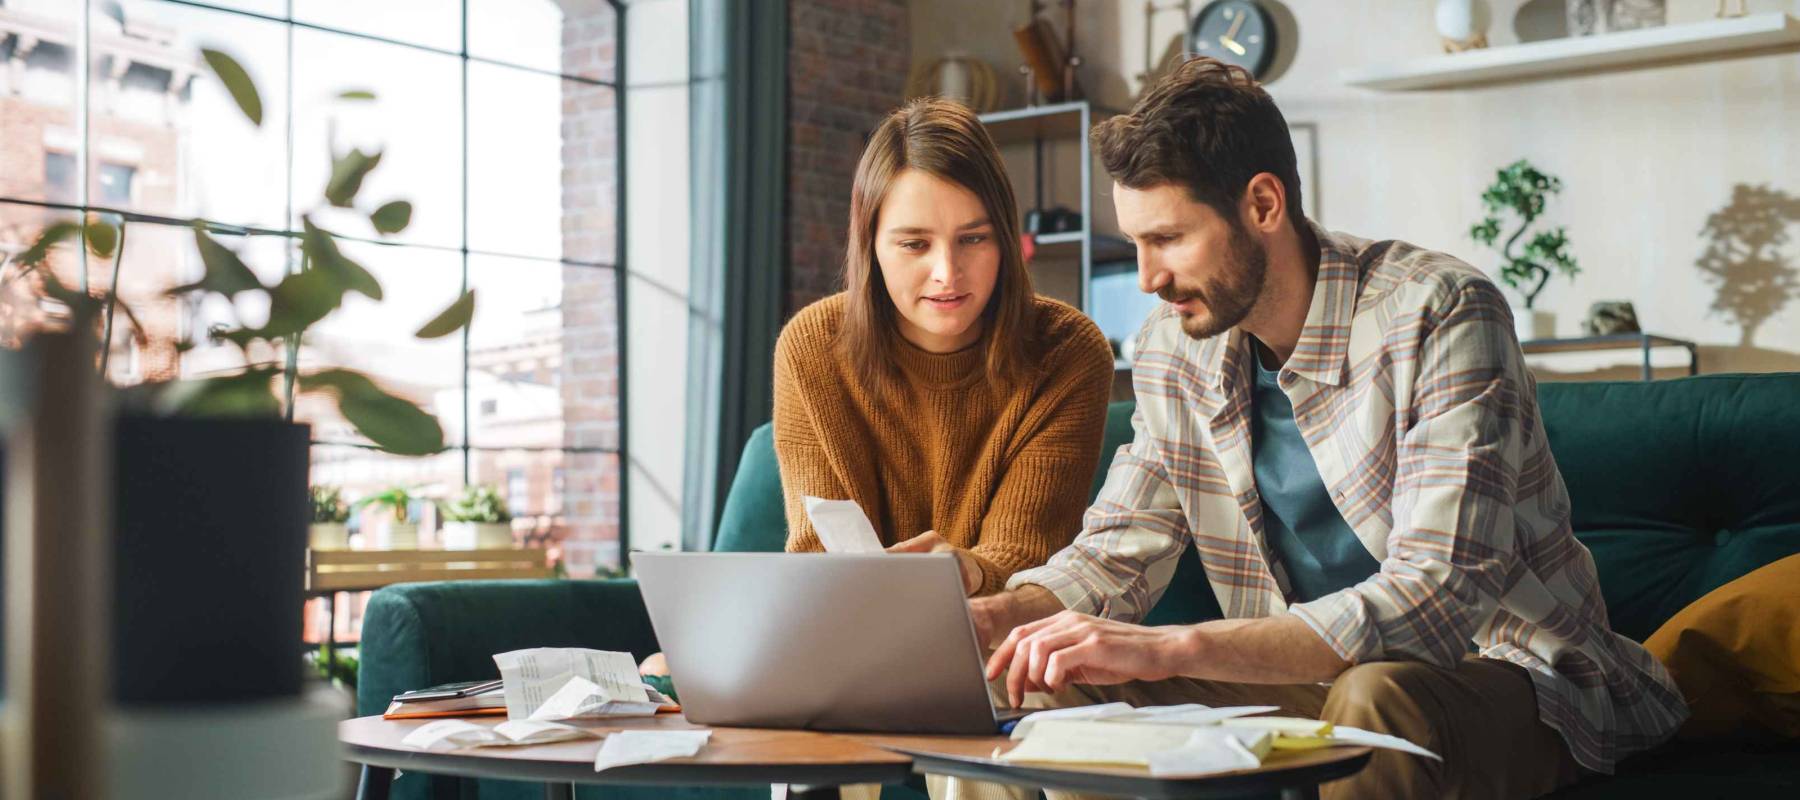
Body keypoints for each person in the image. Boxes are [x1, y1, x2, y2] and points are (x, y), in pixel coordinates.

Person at [968, 58, 1687, 799]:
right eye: (1138, 242)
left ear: (1264, 204)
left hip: (1502, 676)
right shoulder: (1171, 349)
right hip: (1302, 683)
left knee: (1376, 699)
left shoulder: (1439, 312)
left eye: (1170, 238)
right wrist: (990, 621)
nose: (1147, 277)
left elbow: (1437, 597)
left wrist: (1167, 647)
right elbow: (1117, 553)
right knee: (1034, 688)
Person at [640, 97, 1115, 677]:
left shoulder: (1067, 350)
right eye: (915, 244)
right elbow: (820, 554)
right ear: (871, 245)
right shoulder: (813, 346)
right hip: (838, 641)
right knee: (662, 672)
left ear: (1007, 239)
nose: (946, 272)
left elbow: (1026, 560)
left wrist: (962, 571)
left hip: (994, 647)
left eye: (974, 239)